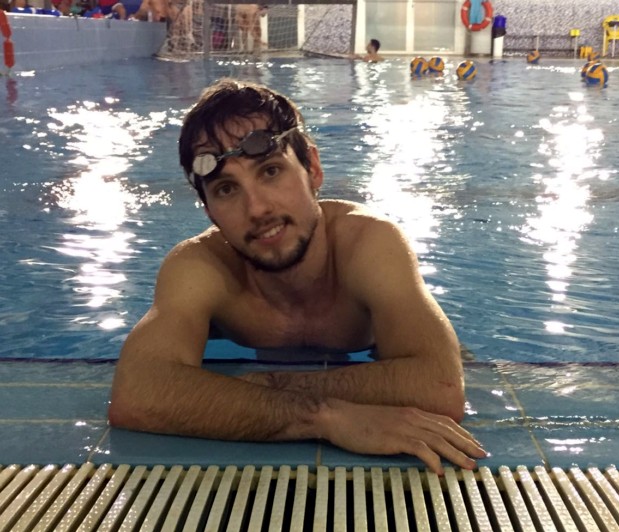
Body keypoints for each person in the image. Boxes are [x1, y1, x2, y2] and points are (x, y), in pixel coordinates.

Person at [108, 78, 486, 475]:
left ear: (313, 169)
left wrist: (258, 387)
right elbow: (137, 393)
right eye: (226, 189)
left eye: (270, 171)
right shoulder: (200, 267)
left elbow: (440, 386)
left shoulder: (369, 244)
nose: (257, 209)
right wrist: (324, 417)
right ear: (209, 212)